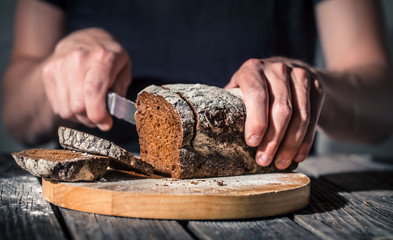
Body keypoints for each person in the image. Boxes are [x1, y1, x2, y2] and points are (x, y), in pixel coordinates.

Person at [2, 0, 392, 170]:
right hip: (89, 204)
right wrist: (54, 72)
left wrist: (312, 85)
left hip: (262, 195)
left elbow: (381, 102)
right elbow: (15, 112)